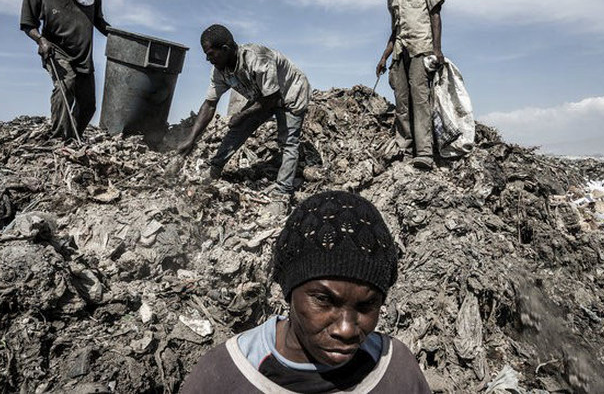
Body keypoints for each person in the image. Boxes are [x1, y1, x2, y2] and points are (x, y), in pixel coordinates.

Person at [181, 191, 431, 393]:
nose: (345, 330)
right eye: (324, 300)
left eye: (366, 306)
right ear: (289, 293)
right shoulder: (226, 374)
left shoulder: (395, 371)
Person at [177, 24, 310, 200]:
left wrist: (241, 114)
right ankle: (215, 169)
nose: (208, 60)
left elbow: (272, 99)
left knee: (288, 142)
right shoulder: (220, 71)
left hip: (290, 94)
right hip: (264, 95)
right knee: (238, 128)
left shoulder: (257, 59)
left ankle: (282, 194)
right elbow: (209, 104)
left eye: (210, 54)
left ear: (225, 49)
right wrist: (191, 140)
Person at [20, 0, 111, 140]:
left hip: (83, 55)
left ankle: (72, 138)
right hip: (55, 50)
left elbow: (99, 21)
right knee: (66, 84)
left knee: (88, 105)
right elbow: (28, 23)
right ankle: (59, 138)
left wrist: (119, 36)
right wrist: (41, 40)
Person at [376, 0, 445, 170]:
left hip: (420, 49)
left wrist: (437, 49)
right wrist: (383, 58)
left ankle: (424, 153)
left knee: (420, 99)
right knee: (402, 102)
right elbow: (394, 32)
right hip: (399, 53)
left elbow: (435, 14)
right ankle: (404, 148)